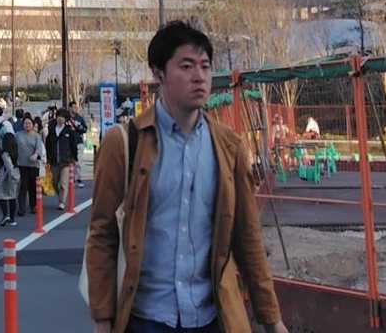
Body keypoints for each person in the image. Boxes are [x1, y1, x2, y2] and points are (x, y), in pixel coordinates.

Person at [85, 22, 287, 333]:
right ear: (158, 73)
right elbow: (102, 232)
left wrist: (271, 318)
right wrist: (102, 318)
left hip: (211, 317)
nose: (199, 76)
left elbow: (247, 237)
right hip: (146, 318)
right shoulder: (124, 143)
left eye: (205, 66)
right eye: (186, 66)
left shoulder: (229, 147)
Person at [15, 115, 45, 218]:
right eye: (25, 123)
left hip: (33, 165)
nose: (27, 125)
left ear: (32, 125)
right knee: (23, 187)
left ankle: (33, 206)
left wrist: (36, 155)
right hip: (21, 164)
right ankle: (21, 208)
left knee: (33, 187)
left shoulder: (37, 136)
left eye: (29, 123)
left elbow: (39, 148)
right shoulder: (17, 135)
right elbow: (14, 147)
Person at [0, 125, 20, 227]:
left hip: (6, 175)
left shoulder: (5, 153)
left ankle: (5, 215)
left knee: (2, 195)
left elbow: (8, 165)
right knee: (13, 196)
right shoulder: (16, 151)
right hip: (16, 172)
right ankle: (12, 218)